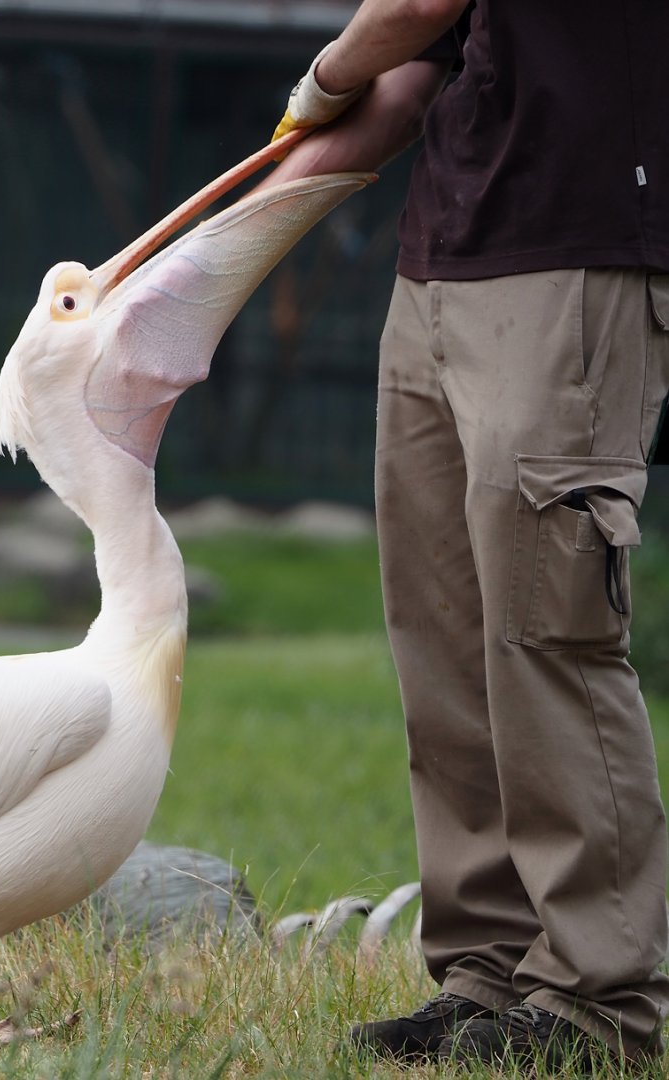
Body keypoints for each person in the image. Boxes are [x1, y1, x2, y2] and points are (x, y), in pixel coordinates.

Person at [259, 0, 669, 1070]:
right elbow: (417, 69)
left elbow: (406, 14)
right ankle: (489, 968)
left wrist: (322, 74)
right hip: (442, 256)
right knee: (444, 637)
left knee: (551, 635)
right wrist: (248, 216)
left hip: (570, 257)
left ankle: (599, 1000)